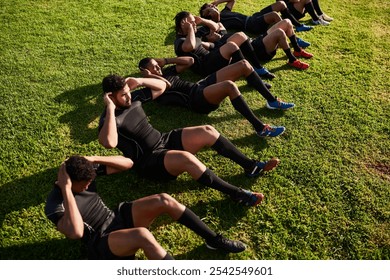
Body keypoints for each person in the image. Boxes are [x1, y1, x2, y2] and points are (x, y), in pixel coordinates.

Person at [98, 74, 280, 208]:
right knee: (187, 159)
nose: (129, 96)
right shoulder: (109, 120)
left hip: (163, 140)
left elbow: (162, 86)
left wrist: (139, 81)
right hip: (149, 160)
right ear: (111, 97)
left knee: (207, 131)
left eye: (128, 92)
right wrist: (110, 109)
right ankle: (238, 194)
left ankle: (251, 166)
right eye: (123, 95)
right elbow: (109, 142)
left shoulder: (134, 98)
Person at [45, 155, 247, 260]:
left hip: (116, 217)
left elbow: (128, 163)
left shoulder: (84, 175)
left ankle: (213, 240)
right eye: (85, 184)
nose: (89, 185)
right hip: (101, 241)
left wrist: (94, 160)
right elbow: (76, 232)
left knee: (164, 199)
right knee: (142, 235)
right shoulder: (54, 204)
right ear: (69, 181)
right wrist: (67, 190)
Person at [138, 56, 286, 137]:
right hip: (196, 100)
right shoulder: (152, 87)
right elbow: (167, 86)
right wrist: (150, 76)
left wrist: (166, 61)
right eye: (154, 68)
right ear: (145, 73)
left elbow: (190, 61)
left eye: (157, 65)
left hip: (201, 86)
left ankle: (272, 101)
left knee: (243, 64)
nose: (158, 68)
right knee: (229, 86)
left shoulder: (167, 72)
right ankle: (260, 128)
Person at [173, 11, 276, 80]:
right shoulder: (180, 41)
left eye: (194, 22)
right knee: (232, 45)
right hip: (207, 65)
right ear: (183, 25)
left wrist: (202, 20)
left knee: (240, 35)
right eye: (191, 23)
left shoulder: (196, 32)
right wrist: (191, 29)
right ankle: (252, 76)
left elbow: (217, 26)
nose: (194, 24)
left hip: (213, 52)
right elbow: (189, 46)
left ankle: (258, 68)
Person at [196, 14, 313, 70]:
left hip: (256, 41)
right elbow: (198, 44)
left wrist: (201, 20)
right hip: (258, 50)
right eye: (210, 34)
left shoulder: (222, 32)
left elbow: (217, 23)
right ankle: (292, 59)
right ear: (208, 40)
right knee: (279, 33)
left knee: (286, 22)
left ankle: (297, 50)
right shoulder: (217, 45)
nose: (214, 33)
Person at [199, 0, 314, 33]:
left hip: (254, 17)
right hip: (251, 25)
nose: (213, 8)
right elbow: (215, 16)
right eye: (209, 9)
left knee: (281, 4)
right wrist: (209, 10)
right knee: (274, 15)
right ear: (207, 15)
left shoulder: (224, 11)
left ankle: (297, 25)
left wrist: (217, 2)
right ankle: (290, 34)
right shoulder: (216, 20)